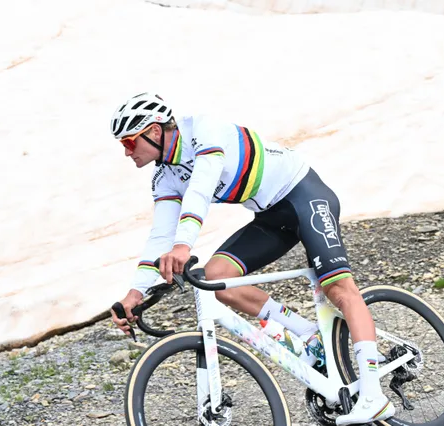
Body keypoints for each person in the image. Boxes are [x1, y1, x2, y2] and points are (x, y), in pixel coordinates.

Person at [109, 92, 394, 424]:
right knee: (214, 278)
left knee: (340, 290)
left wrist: (184, 245)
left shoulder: (205, 131)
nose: (127, 152)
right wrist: (135, 293)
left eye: (129, 142)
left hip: (304, 195)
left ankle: (373, 395)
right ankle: (309, 335)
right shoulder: (165, 176)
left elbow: (200, 188)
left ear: (155, 131)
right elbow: (160, 236)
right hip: (271, 216)